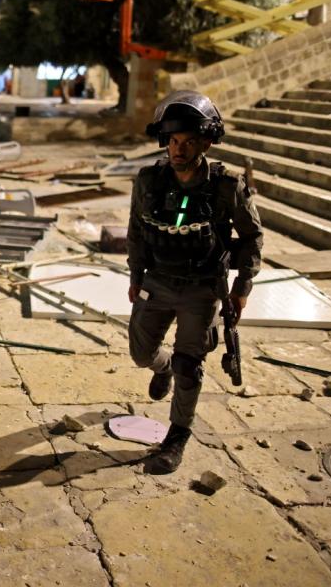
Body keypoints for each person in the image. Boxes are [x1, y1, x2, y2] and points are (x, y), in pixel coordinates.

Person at [126, 90, 262, 473]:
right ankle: (162, 367)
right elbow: (136, 230)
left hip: (202, 289)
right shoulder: (149, 181)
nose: (178, 150)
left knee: (190, 364)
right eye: (172, 141)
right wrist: (136, 275)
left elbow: (252, 238)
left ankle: (177, 435)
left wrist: (242, 289)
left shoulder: (226, 187)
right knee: (140, 353)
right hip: (157, 282)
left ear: (204, 143)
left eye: (187, 142)